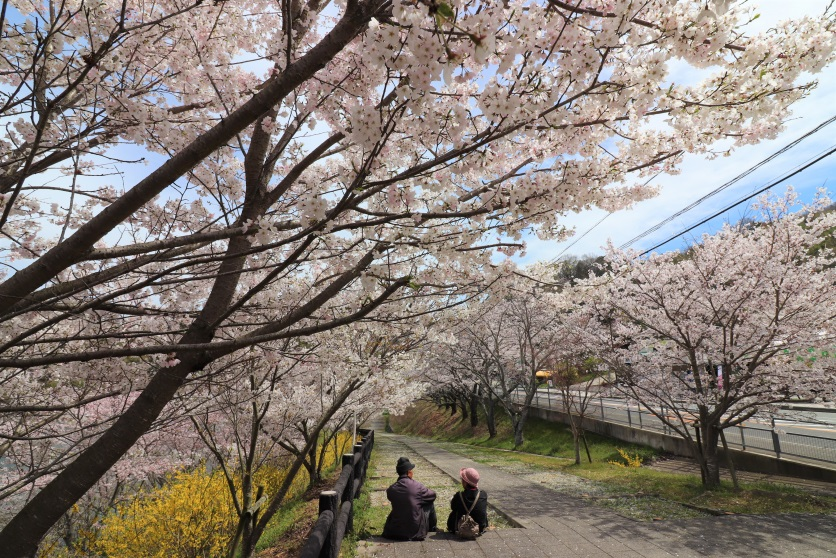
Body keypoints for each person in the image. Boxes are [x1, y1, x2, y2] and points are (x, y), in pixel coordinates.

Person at [381, 457, 438, 541]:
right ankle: (433, 529)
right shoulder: (417, 486)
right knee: (429, 503)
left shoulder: (391, 489)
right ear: (409, 472)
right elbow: (432, 495)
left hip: (395, 530)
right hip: (415, 531)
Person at [447, 467, 488, 535]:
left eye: (462, 479)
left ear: (465, 482)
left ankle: (453, 528)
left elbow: (453, 507)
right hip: (479, 529)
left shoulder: (459, 496)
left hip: (460, 528)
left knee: (454, 512)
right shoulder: (483, 494)